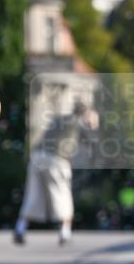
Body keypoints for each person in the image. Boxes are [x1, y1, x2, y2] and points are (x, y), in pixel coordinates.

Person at [13, 98, 97, 245]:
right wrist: (93, 123)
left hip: (37, 157)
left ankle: (20, 228)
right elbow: (92, 140)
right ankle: (65, 232)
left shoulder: (59, 119)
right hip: (56, 159)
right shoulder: (78, 123)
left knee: (33, 195)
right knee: (62, 194)